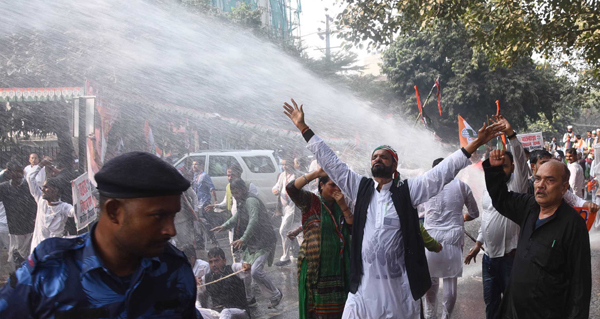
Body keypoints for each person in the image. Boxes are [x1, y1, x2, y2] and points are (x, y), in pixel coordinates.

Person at [282, 99, 504, 318]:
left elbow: (442, 172)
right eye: (375, 157)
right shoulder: (360, 187)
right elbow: (331, 162)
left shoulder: (408, 190)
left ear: (394, 165)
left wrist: (475, 144)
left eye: (384, 157)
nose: (378, 159)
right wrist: (303, 127)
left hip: (398, 288)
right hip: (363, 287)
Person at [0, 152, 200, 318]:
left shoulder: (174, 267)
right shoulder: (50, 266)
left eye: (172, 216)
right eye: (158, 216)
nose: (170, 230)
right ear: (114, 211)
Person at [484, 149, 591, 318]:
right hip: (514, 310)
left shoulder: (573, 225)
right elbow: (501, 198)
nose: (541, 185)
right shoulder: (529, 206)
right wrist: (494, 170)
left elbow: (580, 284)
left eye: (550, 180)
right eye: (538, 179)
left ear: (564, 187)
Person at [463, 116, 528, 319]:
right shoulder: (488, 190)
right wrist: (478, 244)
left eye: (505, 165)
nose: (500, 169)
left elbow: (521, 160)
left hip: (511, 259)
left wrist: (511, 135)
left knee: (512, 306)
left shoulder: (517, 188)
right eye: (496, 165)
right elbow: (487, 219)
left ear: (512, 169)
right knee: (491, 304)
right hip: (489, 259)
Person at [286, 168, 353, 318]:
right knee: (315, 311)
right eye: (332, 185)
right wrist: (315, 174)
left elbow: (352, 228)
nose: (337, 189)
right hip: (314, 268)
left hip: (337, 269)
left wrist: (343, 205)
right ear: (321, 185)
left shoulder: (341, 204)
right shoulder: (311, 202)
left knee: (338, 312)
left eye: (339, 186)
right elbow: (291, 189)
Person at [420, 159, 479, 319]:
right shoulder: (461, 186)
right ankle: (446, 317)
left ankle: (430, 315)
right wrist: (460, 218)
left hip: (431, 238)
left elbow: (418, 212)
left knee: (430, 282)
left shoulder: (425, 186)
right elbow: (474, 213)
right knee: (450, 282)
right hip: (453, 238)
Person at [212, 178, 283, 309]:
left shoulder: (251, 201)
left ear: (244, 190)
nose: (235, 196)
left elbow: (253, 221)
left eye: (237, 193)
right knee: (244, 270)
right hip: (252, 242)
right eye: (233, 194)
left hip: (263, 241)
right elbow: (237, 216)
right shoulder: (241, 201)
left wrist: (243, 238)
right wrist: (225, 226)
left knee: (255, 271)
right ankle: (249, 298)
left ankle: (276, 294)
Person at [208, 164, 258, 260]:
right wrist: (215, 206)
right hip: (234, 223)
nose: (230, 178)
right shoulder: (228, 187)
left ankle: (247, 269)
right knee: (234, 249)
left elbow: (254, 207)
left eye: (232, 175)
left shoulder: (249, 186)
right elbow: (226, 203)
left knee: (247, 247)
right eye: (228, 175)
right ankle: (237, 270)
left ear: (239, 174)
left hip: (245, 222)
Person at [25, 159, 74, 253]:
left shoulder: (64, 207)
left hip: (54, 252)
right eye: (43, 187)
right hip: (38, 249)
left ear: (56, 190)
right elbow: (30, 178)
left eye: (46, 187)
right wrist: (40, 165)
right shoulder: (40, 200)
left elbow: (74, 212)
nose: (42, 189)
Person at [0, 161, 37, 268]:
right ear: (10, 173)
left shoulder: (28, 186)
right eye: (16, 171)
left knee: (29, 257)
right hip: (14, 229)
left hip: (29, 228)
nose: (19, 174)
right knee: (16, 258)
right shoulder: (4, 188)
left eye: (21, 171)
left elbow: (36, 203)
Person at [197, 247, 251, 319]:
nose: (213, 265)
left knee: (226, 312)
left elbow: (243, 268)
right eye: (211, 262)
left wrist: (246, 266)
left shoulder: (233, 269)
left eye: (216, 261)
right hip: (218, 313)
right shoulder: (206, 278)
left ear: (224, 261)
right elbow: (196, 295)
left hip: (239, 311)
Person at [272, 158, 302, 267]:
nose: (284, 167)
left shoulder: (297, 175)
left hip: (293, 207)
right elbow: (277, 186)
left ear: (291, 164)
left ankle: (285, 257)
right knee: (297, 231)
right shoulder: (282, 175)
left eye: (286, 164)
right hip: (285, 208)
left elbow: (304, 189)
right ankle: (297, 253)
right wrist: (274, 190)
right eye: (283, 165)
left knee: (283, 230)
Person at [192, 159, 220, 247]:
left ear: (201, 166)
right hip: (197, 203)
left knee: (206, 223)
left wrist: (215, 201)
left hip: (204, 202)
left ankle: (213, 241)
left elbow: (212, 188)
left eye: (196, 164)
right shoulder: (195, 176)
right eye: (193, 164)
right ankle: (201, 240)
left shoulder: (204, 176)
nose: (194, 166)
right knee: (198, 222)